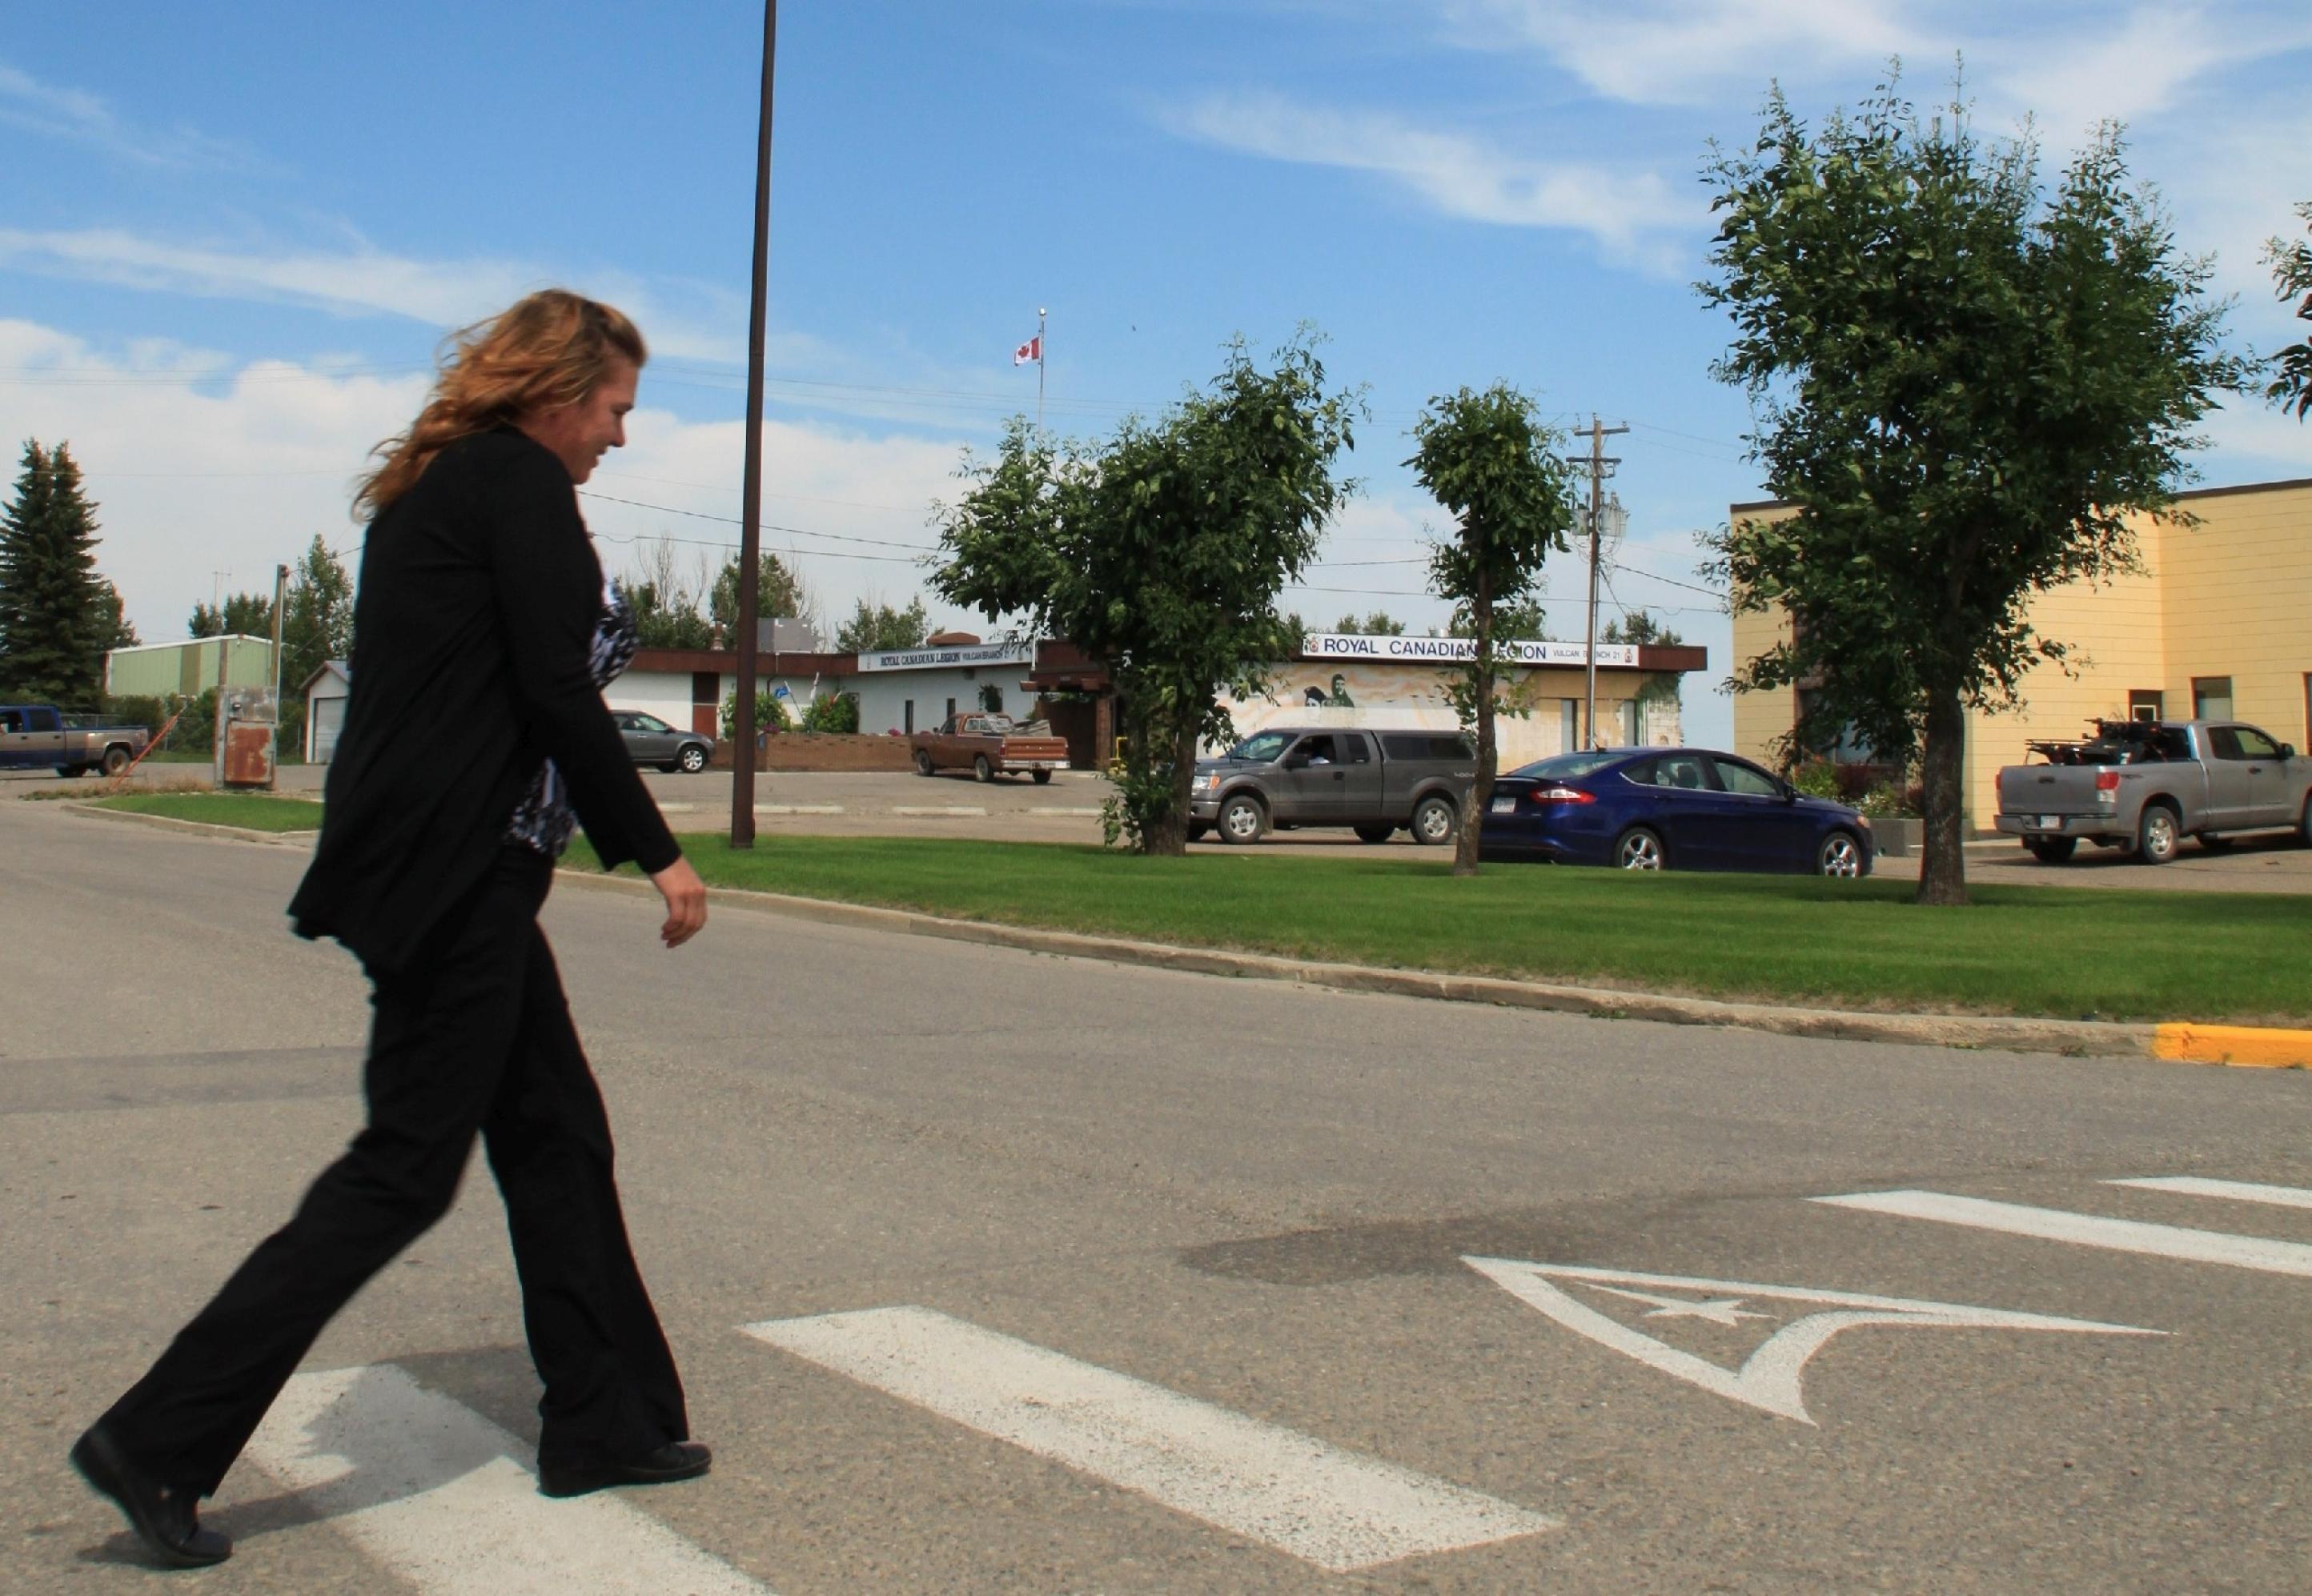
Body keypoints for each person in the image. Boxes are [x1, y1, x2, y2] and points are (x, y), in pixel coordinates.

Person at [70, 290, 712, 1569]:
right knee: (405, 1167)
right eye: (614, 409)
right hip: (454, 875)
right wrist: (661, 849)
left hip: (436, 868)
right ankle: (158, 1436)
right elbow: (552, 689)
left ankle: (602, 1418)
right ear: (555, 390)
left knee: (555, 1136)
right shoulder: (516, 486)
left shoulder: (440, 488)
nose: (619, 438)